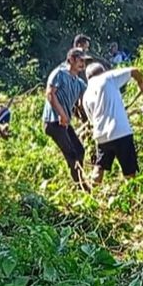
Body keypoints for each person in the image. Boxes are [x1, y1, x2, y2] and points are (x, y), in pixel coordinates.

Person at [81, 62, 143, 183]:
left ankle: (92, 193)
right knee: (129, 171)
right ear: (103, 71)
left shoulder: (85, 95)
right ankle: (131, 196)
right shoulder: (107, 78)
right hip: (120, 132)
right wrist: (141, 83)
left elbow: (92, 120)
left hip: (101, 137)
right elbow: (134, 71)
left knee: (99, 167)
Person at [42, 48, 90, 184]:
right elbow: (50, 94)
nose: (83, 63)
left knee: (80, 151)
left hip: (65, 123)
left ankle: (79, 180)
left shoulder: (78, 82)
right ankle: (80, 186)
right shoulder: (59, 74)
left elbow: (86, 100)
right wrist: (62, 114)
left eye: (84, 61)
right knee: (72, 154)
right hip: (53, 122)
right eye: (80, 60)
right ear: (71, 60)